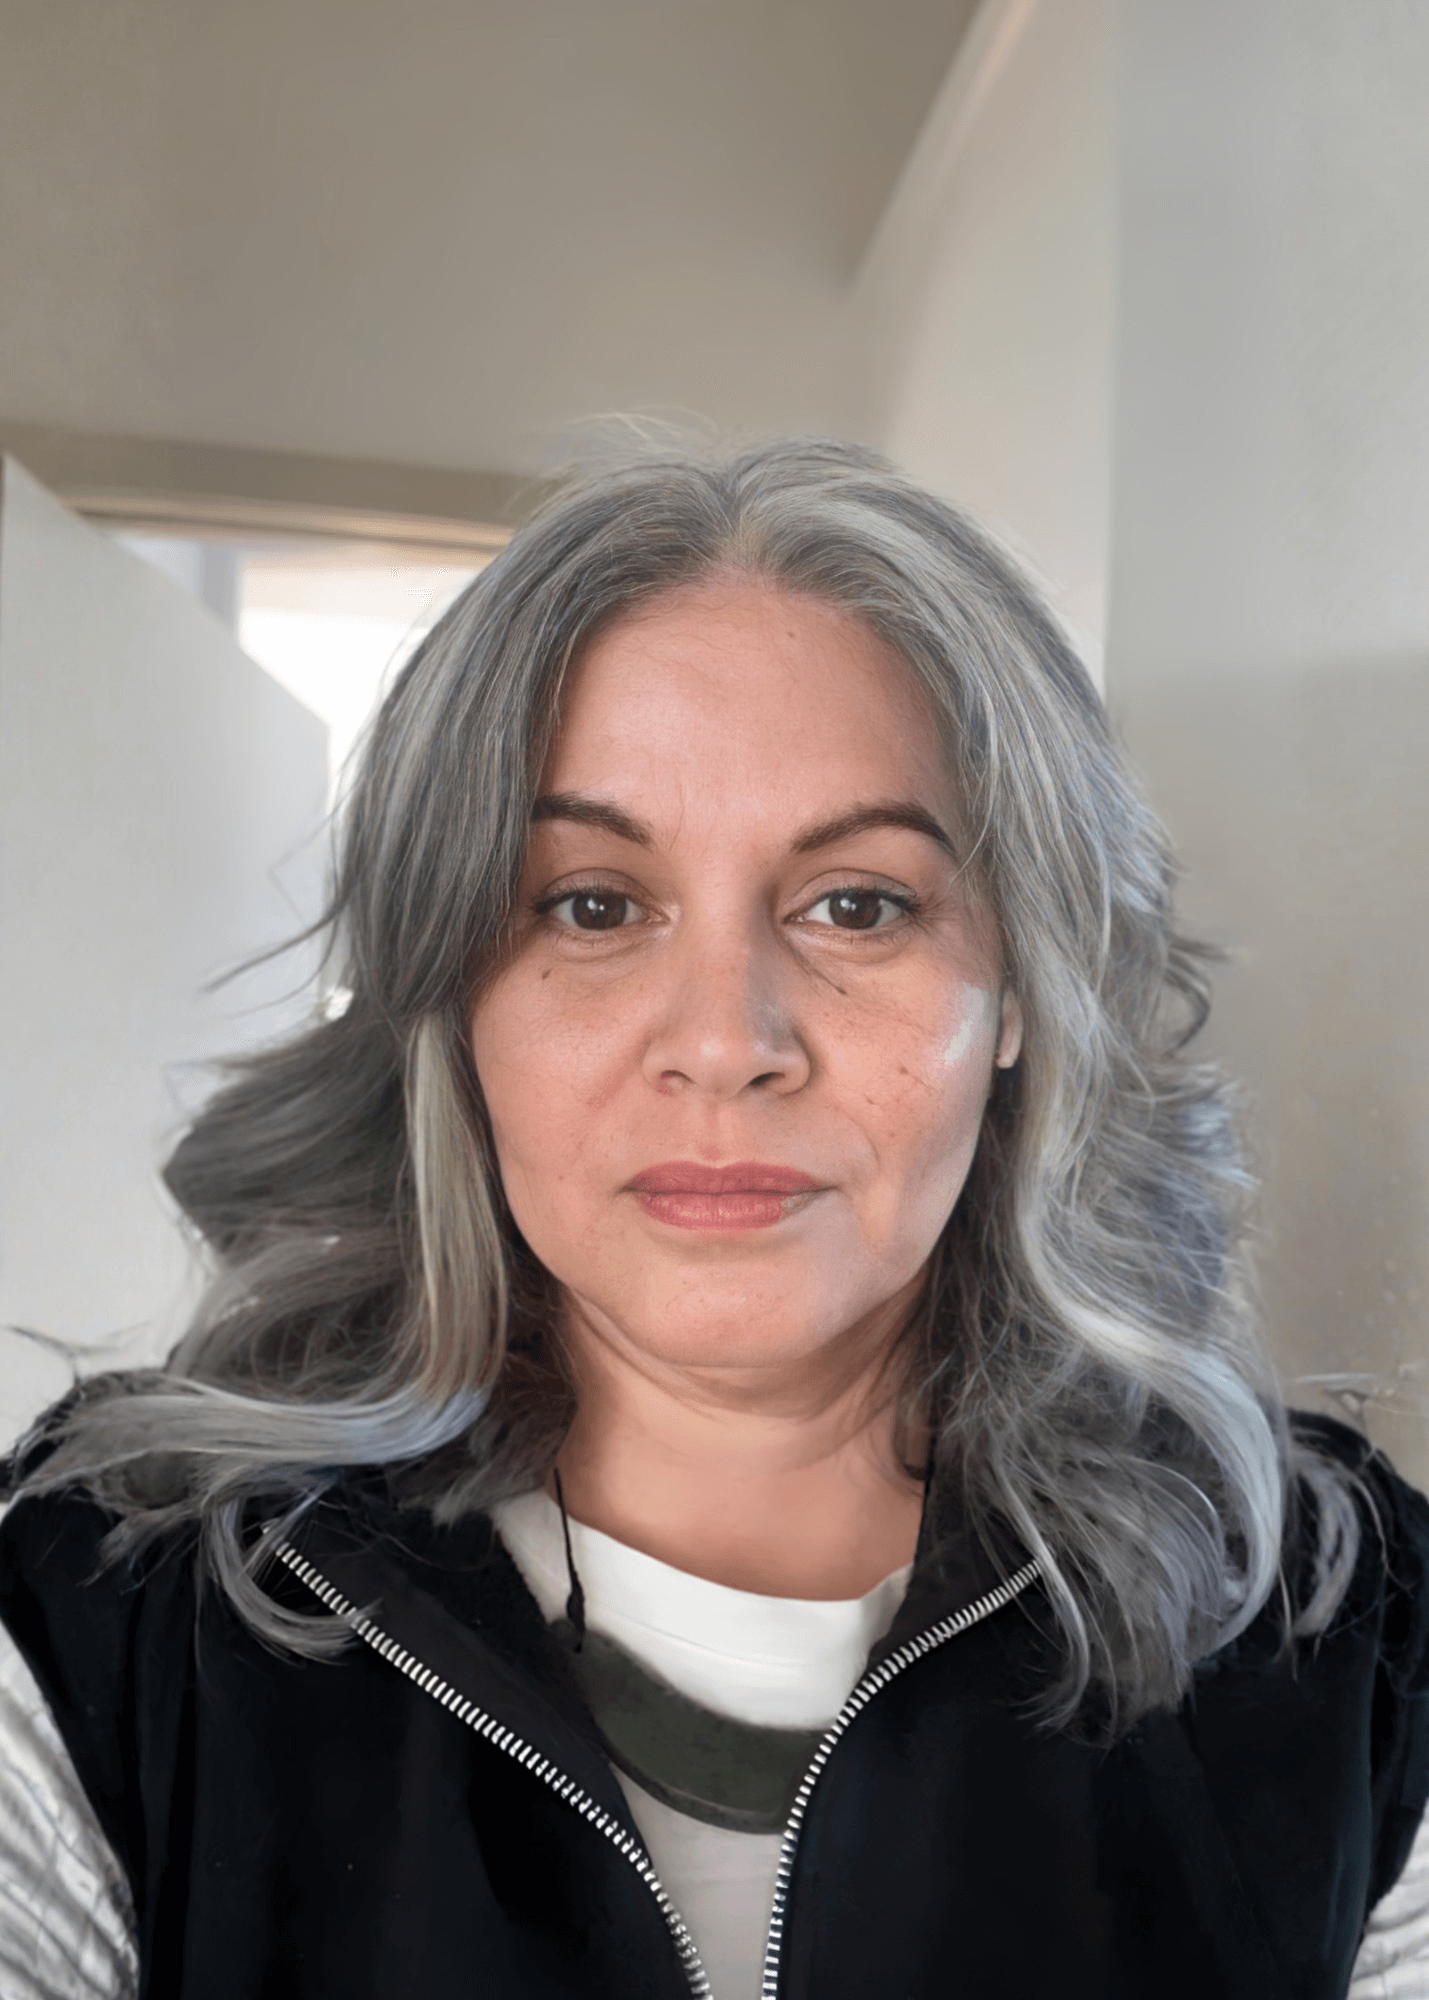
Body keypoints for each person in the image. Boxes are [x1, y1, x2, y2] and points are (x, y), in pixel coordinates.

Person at [0, 436, 1426, 2000]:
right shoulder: (103, 1607)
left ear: (1021, 989)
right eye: (592, 905)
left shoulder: (1353, 1646)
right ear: (450, 998)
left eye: (859, 904)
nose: (727, 1038)